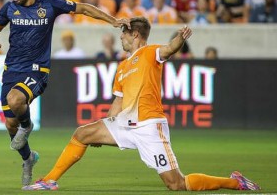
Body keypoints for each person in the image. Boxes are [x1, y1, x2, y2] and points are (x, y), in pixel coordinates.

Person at [23, 17, 260, 192]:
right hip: (124, 124)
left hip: (149, 125)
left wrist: (180, 37)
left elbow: (169, 49)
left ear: (135, 35)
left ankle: (235, 182)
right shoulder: (123, 66)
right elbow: (118, 100)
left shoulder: (150, 53)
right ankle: (49, 180)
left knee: (175, 183)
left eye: (124, 34)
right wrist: (103, 127)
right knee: (83, 133)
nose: (121, 38)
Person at [0, 0, 130, 187]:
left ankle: (27, 126)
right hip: (11, 69)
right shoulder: (9, 9)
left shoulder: (50, 5)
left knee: (16, 101)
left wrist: (113, 20)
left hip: (37, 69)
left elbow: (83, 8)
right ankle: (28, 159)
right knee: (10, 124)